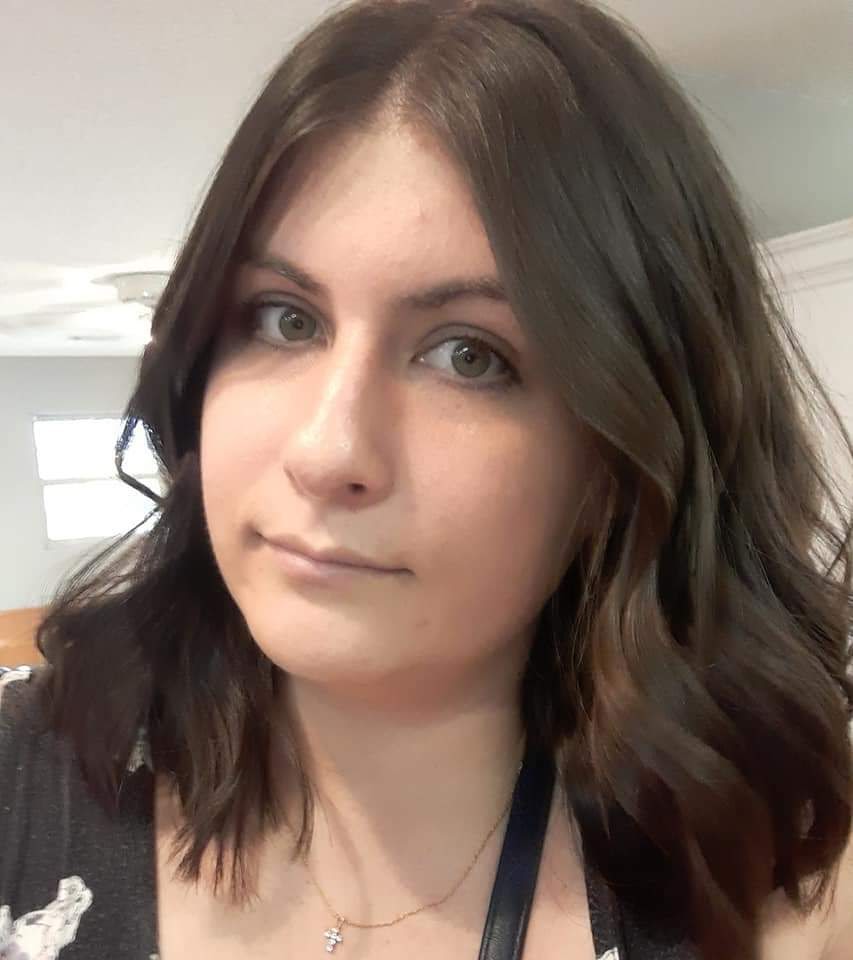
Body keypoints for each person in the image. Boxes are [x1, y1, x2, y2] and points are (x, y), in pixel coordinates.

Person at [1, 0, 851, 957]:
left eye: (468, 356)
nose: (326, 452)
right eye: (284, 319)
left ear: (621, 451)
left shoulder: (784, 892)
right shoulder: (21, 781)